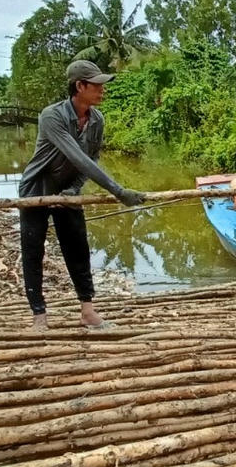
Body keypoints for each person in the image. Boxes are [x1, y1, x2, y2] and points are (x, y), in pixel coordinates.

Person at [19, 60, 146, 330]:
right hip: (36, 189)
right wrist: (119, 191)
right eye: (97, 85)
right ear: (80, 86)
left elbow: (93, 158)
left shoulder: (97, 120)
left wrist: (75, 188)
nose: (103, 90)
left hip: (68, 190)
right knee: (33, 250)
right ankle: (39, 315)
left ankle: (88, 312)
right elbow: (77, 157)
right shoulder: (52, 116)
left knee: (77, 248)